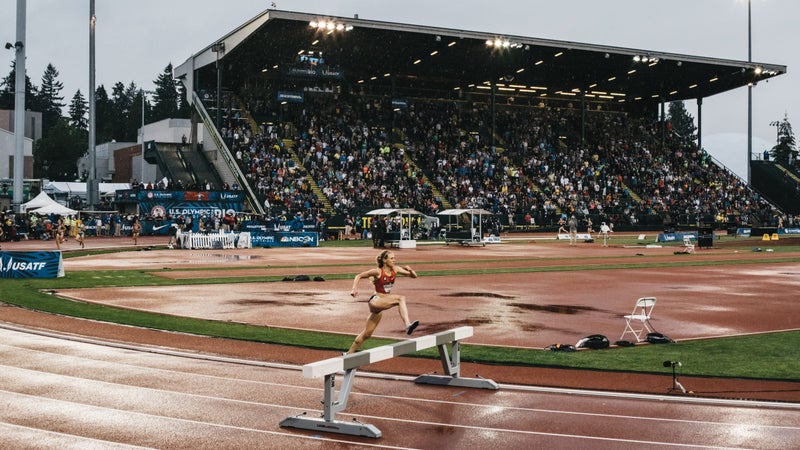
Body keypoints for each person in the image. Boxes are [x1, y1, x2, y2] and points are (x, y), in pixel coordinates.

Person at [347, 250, 419, 354]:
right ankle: (408, 325)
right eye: (392, 258)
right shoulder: (378, 272)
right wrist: (354, 289)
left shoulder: (396, 269)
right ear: (385, 260)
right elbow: (359, 276)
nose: (394, 260)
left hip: (380, 305)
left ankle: (348, 354)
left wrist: (410, 270)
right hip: (375, 300)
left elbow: (414, 276)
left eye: (394, 258)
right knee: (400, 298)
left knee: (367, 334)